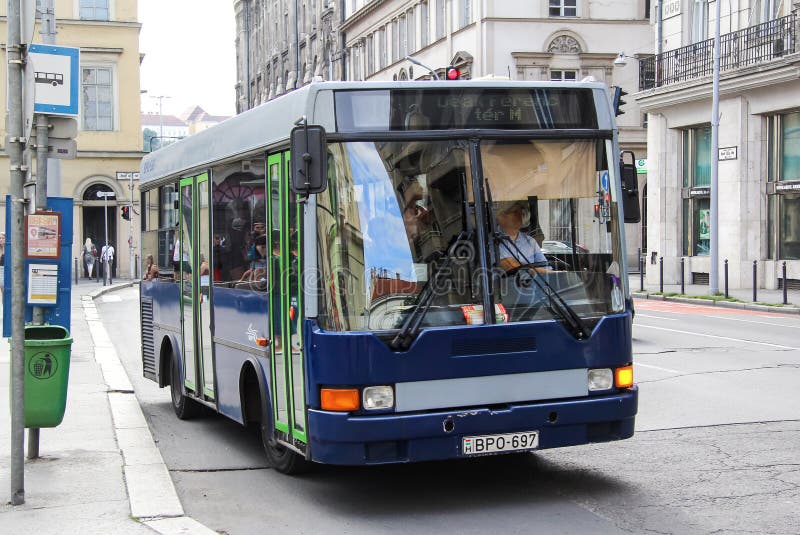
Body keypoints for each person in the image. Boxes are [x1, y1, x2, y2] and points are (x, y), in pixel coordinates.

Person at [495, 200, 547, 273]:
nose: (520, 216)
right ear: (501, 216)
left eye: (521, 212)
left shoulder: (531, 241)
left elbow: (546, 267)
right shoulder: (493, 241)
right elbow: (510, 266)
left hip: (536, 284)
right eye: (515, 212)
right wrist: (543, 271)